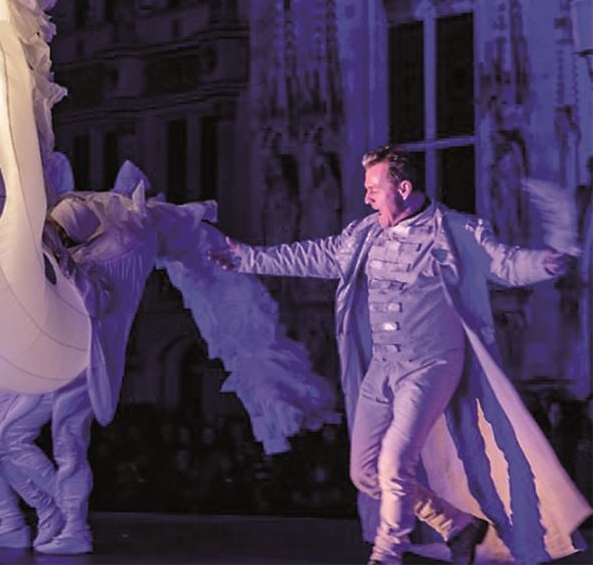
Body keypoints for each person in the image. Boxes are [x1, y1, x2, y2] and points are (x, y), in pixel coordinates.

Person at [210, 145, 590, 565]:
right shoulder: (363, 235)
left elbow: (506, 264)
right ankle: (455, 524)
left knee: (394, 462)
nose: (367, 198)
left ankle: (386, 555)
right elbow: (312, 255)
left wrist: (547, 263)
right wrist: (247, 258)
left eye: (374, 189)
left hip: (432, 364)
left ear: (404, 188)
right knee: (365, 472)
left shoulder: (455, 231)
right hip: (383, 368)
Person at [0, 173, 170, 555]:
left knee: (59, 444)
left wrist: (59, 257)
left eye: (57, 228)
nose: (51, 232)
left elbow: (95, 302)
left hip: (81, 367)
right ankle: (51, 515)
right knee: (0, 439)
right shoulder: (75, 256)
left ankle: (71, 523)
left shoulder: (107, 256)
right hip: (52, 361)